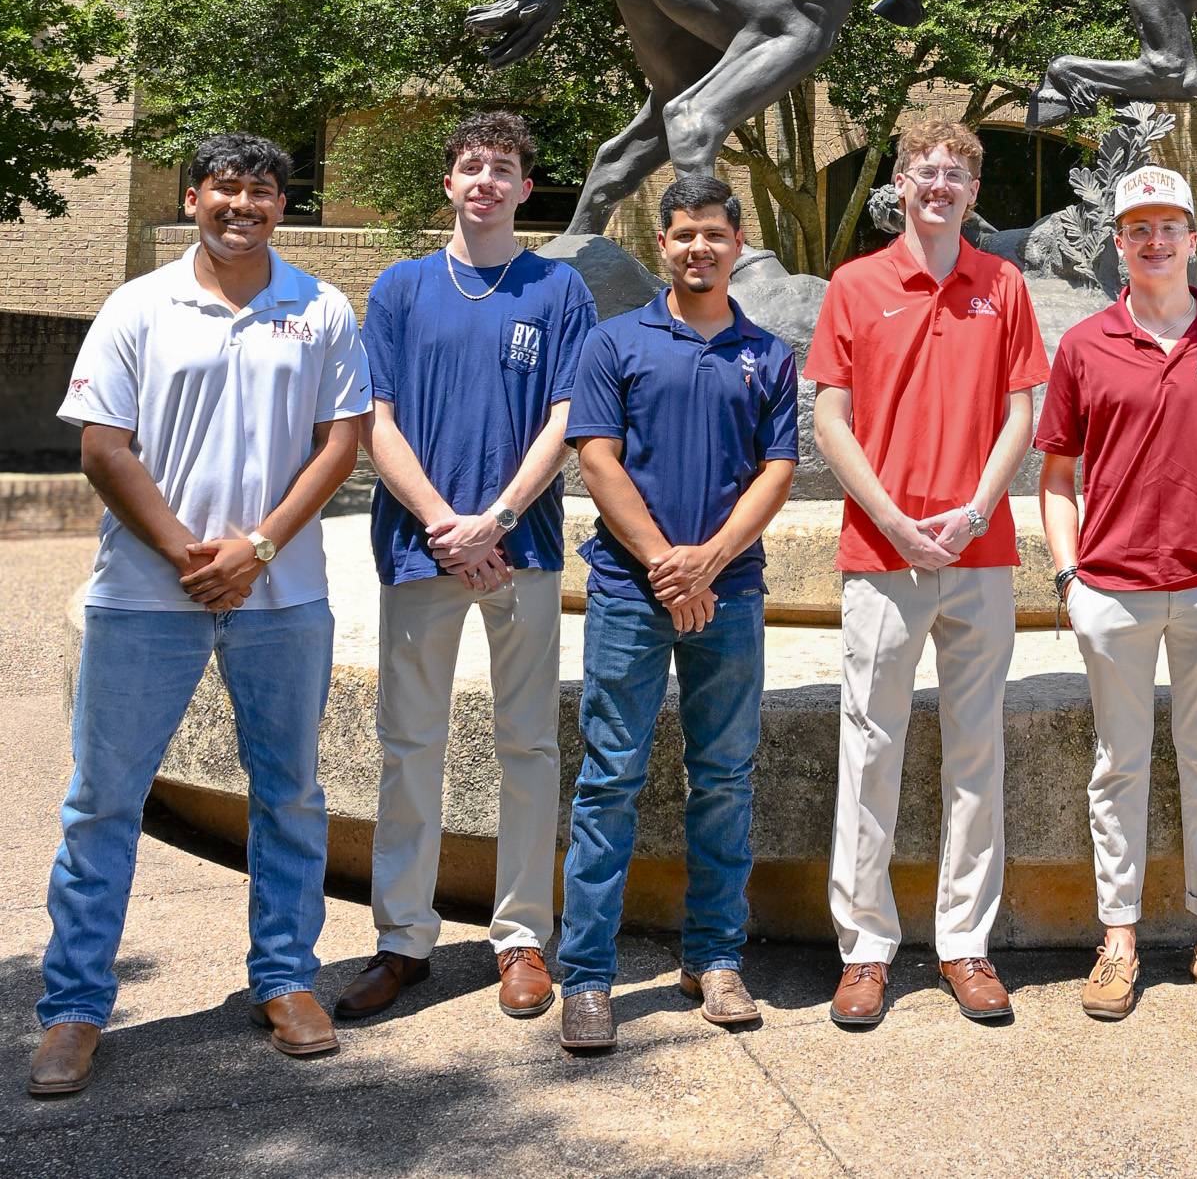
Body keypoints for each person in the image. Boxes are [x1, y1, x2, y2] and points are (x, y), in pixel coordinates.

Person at [30, 134, 369, 1097]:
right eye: (225, 189)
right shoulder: (138, 305)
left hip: (283, 596)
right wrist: (190, 554)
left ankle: (286, 980)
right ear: (192, 199)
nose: (242, 205)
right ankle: (74, 1007)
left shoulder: (321, 307)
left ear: (283, 206)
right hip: (146, 596)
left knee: (290, 796)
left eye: (262, 191)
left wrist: (255, 549)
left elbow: (341, 443)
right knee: (102, 802)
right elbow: (104, 447)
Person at [335, 113, 595, 1026]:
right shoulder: (401, 287)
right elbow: (374, 421)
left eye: (504, 167)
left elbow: (568, 417)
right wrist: (448, 525)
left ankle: (521, 936)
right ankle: (403, 938)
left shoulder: (559, 288)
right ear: (449, 182)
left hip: (522, 548)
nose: (486, 180)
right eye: (472, 166)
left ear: (526, 187)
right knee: (410, 744)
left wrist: (498, 522)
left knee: (528, 744)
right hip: (421, 549)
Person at [807, 113, 1049, 1028]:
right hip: (882, 554)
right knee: (870, 747)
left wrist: (977, 510)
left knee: (976, 750)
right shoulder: (855, 284)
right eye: (925, 170)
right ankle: (865, 950)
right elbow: (831, 418)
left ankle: (964, 941)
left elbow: (1022, 414)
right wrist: (895, 521)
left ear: (973, 192)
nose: (939, 184)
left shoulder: (1004, 285)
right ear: (900, 185)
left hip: (980, 551)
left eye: (955, 173)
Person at [555, 174, 798, 1052]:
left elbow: (777, 470)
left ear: (738, 245)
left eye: (715, 235)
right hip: (631, 593)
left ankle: (715, 958)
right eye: (685, 234)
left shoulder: (768, 354)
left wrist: (709, 563)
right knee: (609, 780)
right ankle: (587, 975)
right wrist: (668, 564)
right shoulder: (615, 341)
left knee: (725, 778)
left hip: (729, 595)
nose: (700, 247)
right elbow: (597, 458)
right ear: (662, 243)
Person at [1037, 166, 1197, 1020]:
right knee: (1119, 765)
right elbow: (1057, 476)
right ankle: (1119, 940)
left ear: (1191, 238)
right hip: (1113, 589)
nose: (1153, 241)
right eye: (1137, 228)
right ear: (1118, 243)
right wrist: (1069, 576)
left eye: (1167, 226)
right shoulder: (1084, 345)